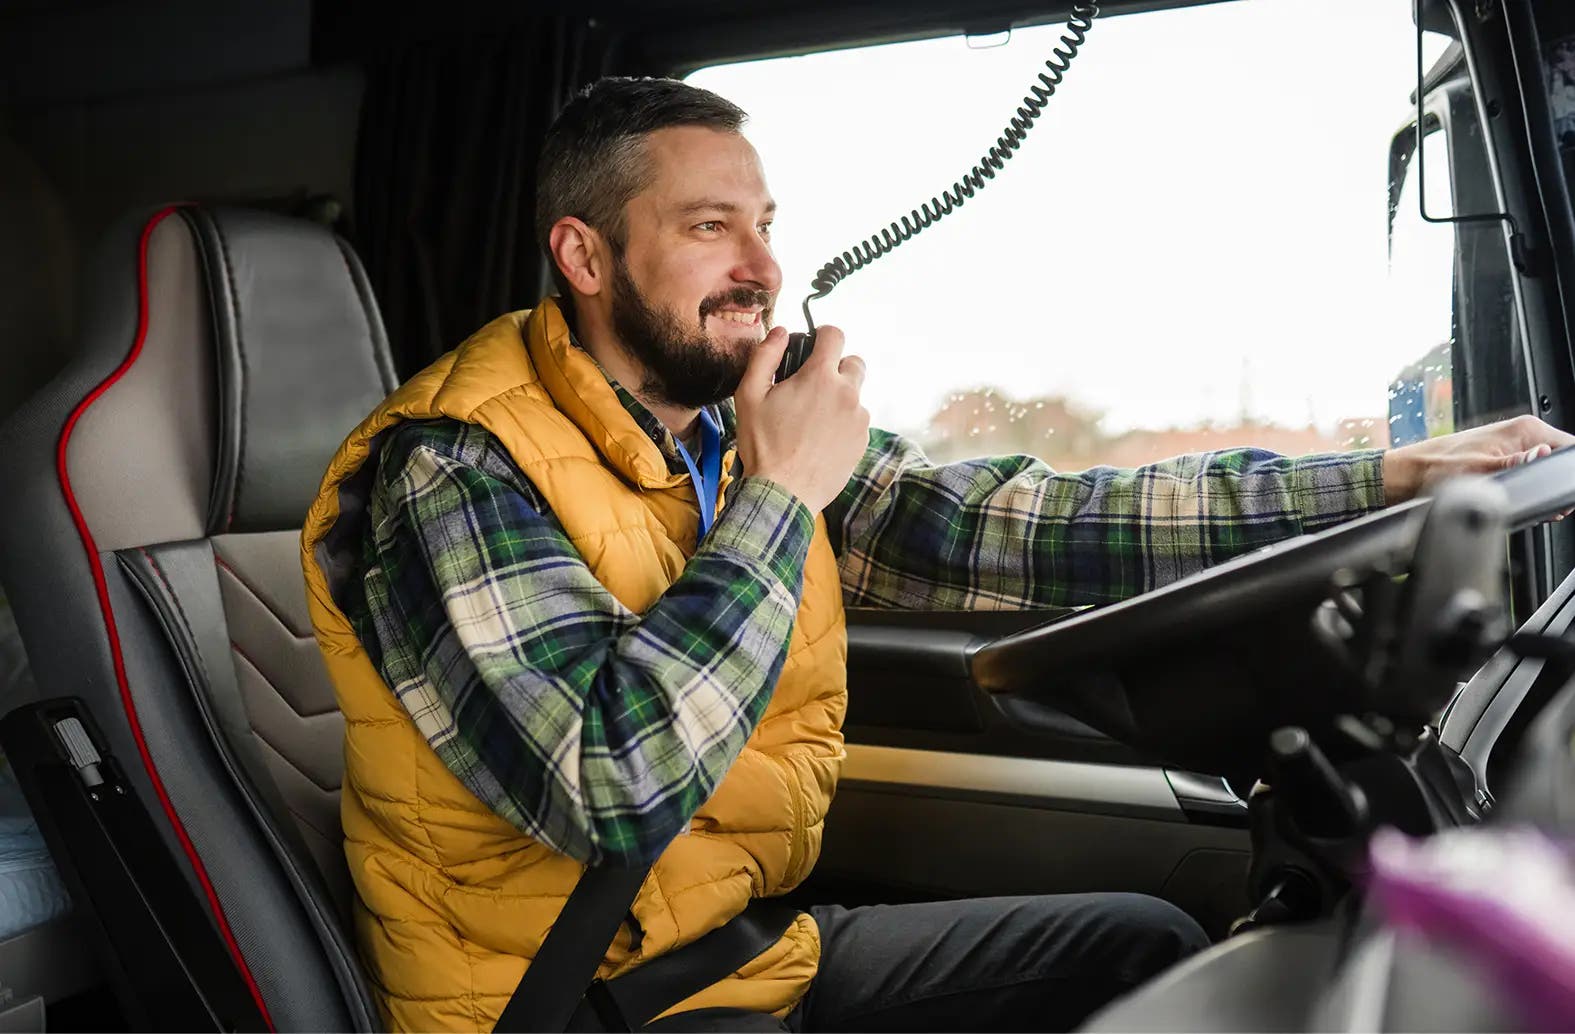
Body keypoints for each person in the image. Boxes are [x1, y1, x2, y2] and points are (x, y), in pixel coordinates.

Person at [299, 76, 1575, 1033]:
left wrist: (1387, 477)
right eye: (708, 227)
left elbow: (1025, 526)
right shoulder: (455, 469)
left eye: (765, 222)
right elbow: (610, 778)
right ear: (584, 254)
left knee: (1144, 945)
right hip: (576, 1002)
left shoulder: (725, 431)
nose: (764, 267)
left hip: (728, 951)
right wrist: (784, 495)